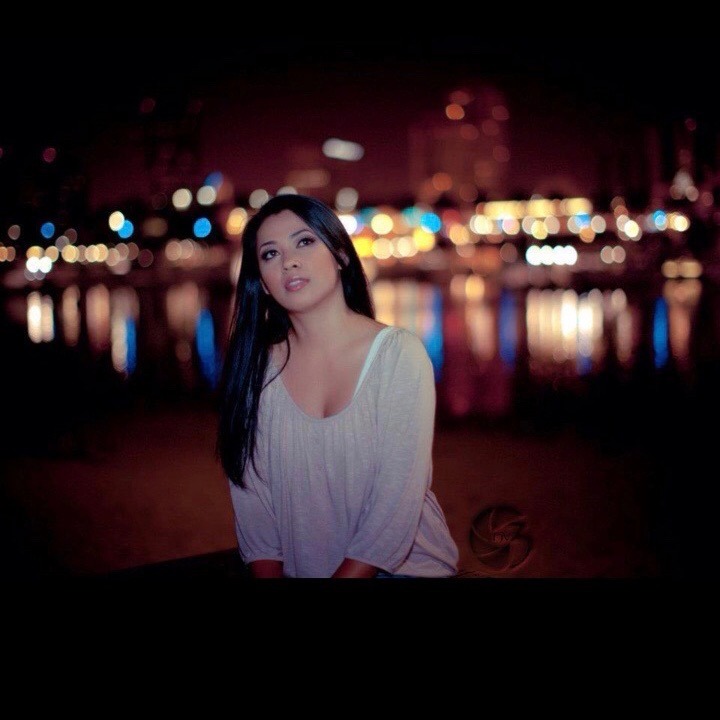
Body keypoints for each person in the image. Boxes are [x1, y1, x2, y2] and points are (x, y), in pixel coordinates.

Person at [216, 193, 459, 578]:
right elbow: (253, 503)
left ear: (341, 255)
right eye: (270, 254)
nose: (289, 261)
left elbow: (394, 504)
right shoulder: (257, 371)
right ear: (261, 283)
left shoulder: (397, 355)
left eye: (304, 241)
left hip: (406, 570)